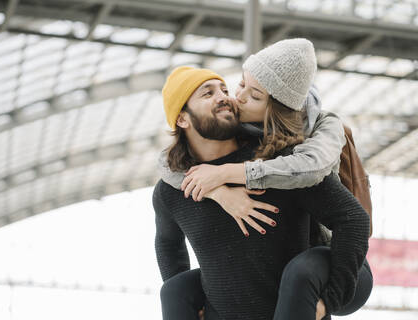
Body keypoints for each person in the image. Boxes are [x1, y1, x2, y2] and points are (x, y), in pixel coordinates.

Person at [153, 39, 371, 320]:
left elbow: (352, 218)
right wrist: (193, 303)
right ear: (182, 119)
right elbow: (168, 245)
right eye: (208, 93)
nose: (226, 96)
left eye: (223, 89)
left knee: (303, 269)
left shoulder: (278, 163)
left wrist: (329, 301)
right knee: (174, 290)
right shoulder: (170, 190)